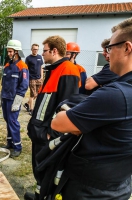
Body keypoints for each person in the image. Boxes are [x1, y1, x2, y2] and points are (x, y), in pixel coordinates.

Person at [51, 17, 132, 199]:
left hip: (90, 189)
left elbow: (59, 123)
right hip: (120, 183)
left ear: (127, 48)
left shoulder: (116, 94)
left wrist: (69, 109)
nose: (108, 54)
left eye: (110, 48)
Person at [25, 36, 80, 200]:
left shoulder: (68, 70)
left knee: (48, 170)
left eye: (45, 50)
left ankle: (45, 196)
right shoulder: (53, 69)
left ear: (54, 51)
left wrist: (51, 134)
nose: (42, 54)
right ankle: (39, 195)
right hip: (39, 133)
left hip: (48, 135)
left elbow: (68, 108)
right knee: (39, 168)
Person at [0, 39, 29, 158]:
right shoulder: (7, 65)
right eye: (8, 51)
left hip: (13, 99)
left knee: (13, 122)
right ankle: (10, 142)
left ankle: (18, 146)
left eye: (11, 51)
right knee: (8, 120)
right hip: (6, 97)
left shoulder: (22, 66)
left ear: (16, 52)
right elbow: (4, 82)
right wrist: (0, 96)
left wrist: (17, 101)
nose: (9, 53)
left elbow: (24, 85)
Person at [24, 44, 44, 115]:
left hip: (39, 78)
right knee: (32, 94)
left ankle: (27, 104)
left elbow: (41, 67)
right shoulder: (28, 58)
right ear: (31, 49)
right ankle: (31, 110)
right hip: (31, 78)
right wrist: (27, 78)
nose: (35, 50)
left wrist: (42, 76)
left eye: (37, 49)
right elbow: (26, 69)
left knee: (37, 94)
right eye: (34, 49)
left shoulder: (39, 57)